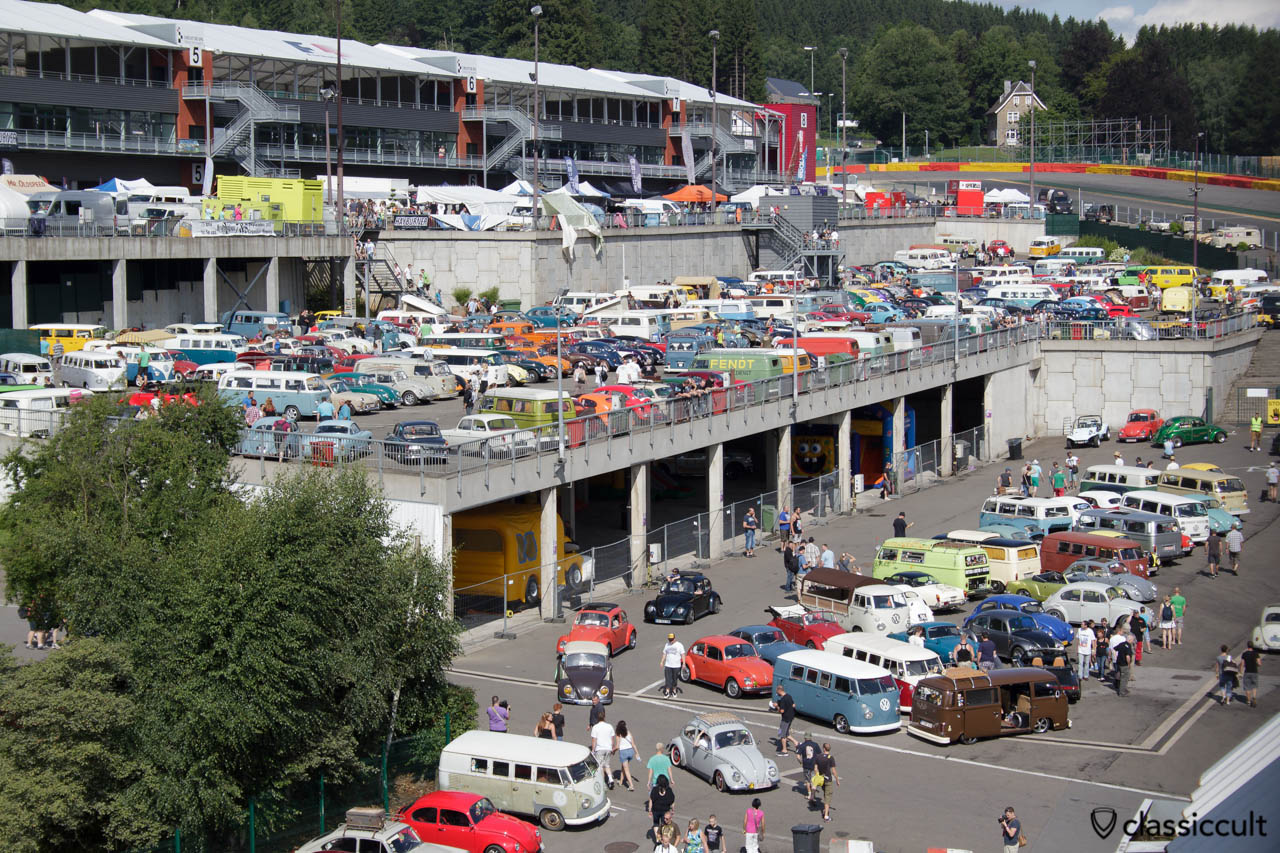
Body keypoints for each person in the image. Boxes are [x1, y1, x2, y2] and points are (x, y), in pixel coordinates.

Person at [590, 710, 616, 790]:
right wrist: (612, 748)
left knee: (600, 767)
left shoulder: (595, 727)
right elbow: (612, 739)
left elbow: (594, 740)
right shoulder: (609, 726)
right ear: (604, 717)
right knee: (607, 765)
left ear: (597, 718)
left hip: (600, 749)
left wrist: (593, 750)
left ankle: (603, 784)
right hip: (608, 748)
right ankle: (611, 779)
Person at [814, 743, 839, 822]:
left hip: (821, 779)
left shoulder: (818, 757)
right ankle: (826, 816)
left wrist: (817, 776)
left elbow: (815, 768)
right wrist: (837, 780)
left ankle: (825, 809)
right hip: (828, 780)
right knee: (828, 797)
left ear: (824, 749)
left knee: (825, 793)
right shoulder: (830, 758)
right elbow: (833, 771)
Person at [771, 685, 797, 754]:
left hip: (785, 719)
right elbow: (793, 705)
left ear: (779, 690)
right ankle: (796, 743)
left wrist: (777, 707)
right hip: (791, 717)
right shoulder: (789, 696)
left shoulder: (783, 699)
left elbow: (782, 711)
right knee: (787, 733)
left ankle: (784, 750)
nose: (777, 693)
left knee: (782, 734)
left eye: (777, 692)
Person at [796, 733, 820, 802]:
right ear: (811, 737)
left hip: (806, 765)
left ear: (805, 738)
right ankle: (813, 794)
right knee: (813, 780)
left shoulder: (802, 745)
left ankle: (809, 794)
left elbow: (797, 756)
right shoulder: (815, 745)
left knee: (807, 779)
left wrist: (800, 762)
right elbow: (819, 755)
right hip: (814, 765)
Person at [661, 633, 685, 699]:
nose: (670, 641)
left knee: (674, 679)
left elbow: (683, 654)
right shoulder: (667, 645)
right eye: (669, 640)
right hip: (668, 665)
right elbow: (664, 654)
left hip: (676, 666)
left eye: (671, 639)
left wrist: (684, 663)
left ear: (674, 638)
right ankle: (667, 692)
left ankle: (674, 691)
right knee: (668, 679)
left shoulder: (679, 645)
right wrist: (662, 661)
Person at [616, 720, 638, 791]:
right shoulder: (628, 732)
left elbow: (617, 746)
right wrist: (637, 753)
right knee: (624, 766)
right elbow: (633, 744)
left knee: (626, 769)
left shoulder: (618, 734)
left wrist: (612, 751)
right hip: (630, 752)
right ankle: (621, 781)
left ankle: (631, 786)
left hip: (624, 752)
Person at [1240, 641, 1261, 708]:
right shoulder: (1256, 653)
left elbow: (1242, 664)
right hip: (1254, 671)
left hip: (1247, 672)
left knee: (1247, 687)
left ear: (1247, 646)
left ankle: (1248, 701)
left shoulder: (1244, 654)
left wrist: (1240, 672)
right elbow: (1259, 663)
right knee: (1254, 685)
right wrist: (1256, 664)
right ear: (1253, 646)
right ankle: (1254, 697)